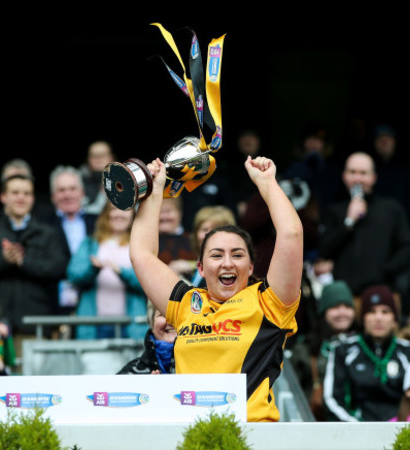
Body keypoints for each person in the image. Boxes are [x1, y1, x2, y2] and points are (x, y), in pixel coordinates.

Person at [129, 156, 303, 422]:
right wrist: (154, 194)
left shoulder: (270, 303)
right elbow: (142, 255)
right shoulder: (187, 304)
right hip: (192, 434)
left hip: (253, 434)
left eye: (237, 255)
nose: (227, 263)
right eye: (216, 255)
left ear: (251, 265)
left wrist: (267, 184)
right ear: (200, 268)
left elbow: (290, 234)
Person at [0, 174, 68, 350]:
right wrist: (2, 260)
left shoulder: (48, 233)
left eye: (27, 193)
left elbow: (60, 269)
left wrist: (23, 261)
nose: (21, 197)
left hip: (35, 327)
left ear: (33, 198)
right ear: (3, 197)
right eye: (15, 192)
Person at [318, 151, 410, 296]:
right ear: (344, 176)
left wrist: (385, 270)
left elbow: (407, 247)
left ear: (373, 177)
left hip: (381, 292)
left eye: (363, 173)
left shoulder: (391, 209)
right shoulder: (335, 210)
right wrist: (348, 222)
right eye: (352, 172)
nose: (357, 178)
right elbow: (324, 249)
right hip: (344, 295)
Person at [323, 284, 410, 422]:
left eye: (385, 312)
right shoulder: (343, 351)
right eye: (372, 311)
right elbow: (332, 399)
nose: (378, 318)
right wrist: (359, 429)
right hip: (356, 431)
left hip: (402, 431)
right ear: (363, 318)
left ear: (394, 319)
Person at [67, 200, 148, 340]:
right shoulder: (90, 244)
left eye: (124, 209)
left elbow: (149, 282)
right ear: (105, 214)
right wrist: (92, 269)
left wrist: (123, 272)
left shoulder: (140, 245)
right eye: (113, 210)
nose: (119, 214)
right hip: (94, 324)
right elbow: (73, 275)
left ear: (133, 215)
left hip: (131, 325)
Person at [36, 165, 98, 317]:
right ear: (53, 196)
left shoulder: (98, 223)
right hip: (54, 304)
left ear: (82, 193)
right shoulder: (42, 225)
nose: (68, 194)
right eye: (62, 190)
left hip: (95, 299)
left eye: (72, 188)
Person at [303, 280, 358, 421]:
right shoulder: (306, 348)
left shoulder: (363, 345)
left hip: (357, 420)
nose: (342, 313)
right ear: (323, 311)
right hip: (316, 423)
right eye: (335, 307)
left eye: (347, 306)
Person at [117, 300, 177, 374]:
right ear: (151, 322)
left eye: (178, 314)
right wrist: (145, 385)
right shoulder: (131, 374)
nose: (171, 321)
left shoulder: (195, 367)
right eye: (163, 314)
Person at [188, 205, 237, 287]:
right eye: (204, 229)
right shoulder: (194, 269)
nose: (208, 235)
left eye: (215, 230)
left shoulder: (229, 270)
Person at [79, 140, 115, 215]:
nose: (98, 159)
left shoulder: (123, 178)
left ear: (111, 157)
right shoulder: (78, 181)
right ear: (88, 159)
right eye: (94, 156)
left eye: (102, 155)